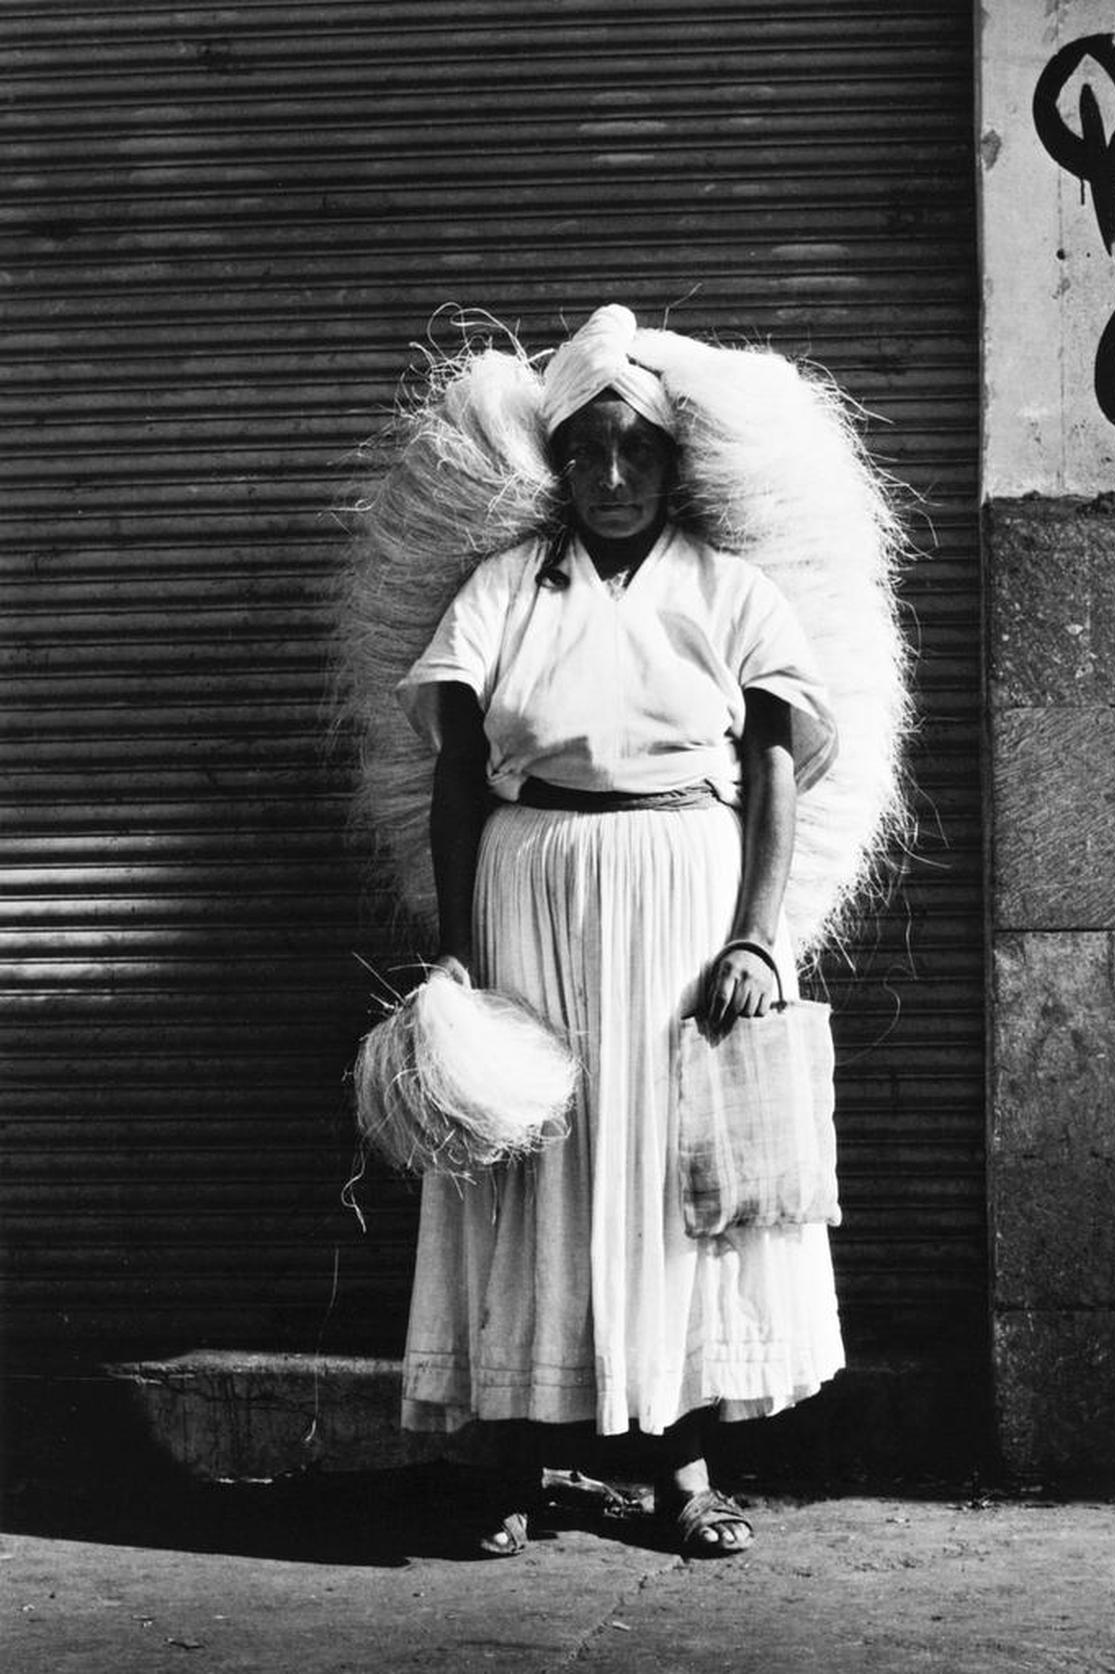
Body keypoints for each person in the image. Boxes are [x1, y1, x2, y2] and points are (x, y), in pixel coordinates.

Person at [390, 305, 855, 1557]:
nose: (608, 479)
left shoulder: (728, 589)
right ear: (559, 466)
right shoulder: (506, 590)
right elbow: (453, 777)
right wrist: (461, 954)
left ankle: (685, 1468)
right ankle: (522, 1457)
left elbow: (771, 771)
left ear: (670, 464)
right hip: (530, 883)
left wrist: (758, 938)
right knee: (531, 1170)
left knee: (673, 1173)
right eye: (587, 454)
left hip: (684, 893)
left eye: (633, 453)